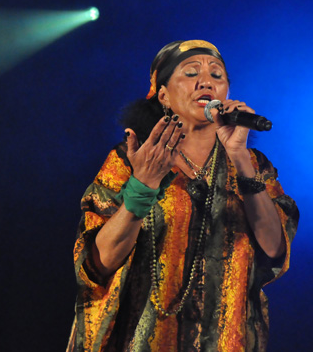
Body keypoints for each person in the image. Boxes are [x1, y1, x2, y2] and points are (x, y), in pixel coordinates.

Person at [67, 40, 298, 351]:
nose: (206, 82)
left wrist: (240, 158)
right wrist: (143, 187)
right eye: (191, 73)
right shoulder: (131, 161)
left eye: (217, 75)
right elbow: (96, 265)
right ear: (163, 95)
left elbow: (275, 250)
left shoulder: (252, 164)